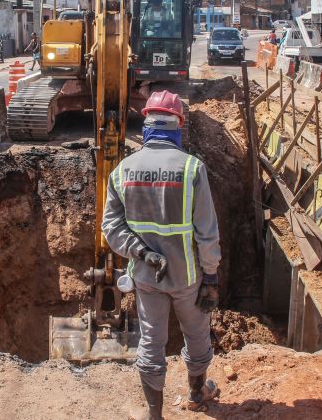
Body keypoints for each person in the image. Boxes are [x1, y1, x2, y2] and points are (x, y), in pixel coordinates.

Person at [102, 91, 221, 419]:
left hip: (146, 276)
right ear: (177, 126)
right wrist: (210, 277)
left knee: (151, 341)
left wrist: (141, 252)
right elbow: (207, 233)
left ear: (147, 125)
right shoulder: (193, 169)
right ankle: (198, 393)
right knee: (197, 336)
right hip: (187, 278)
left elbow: (110, 229)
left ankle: (154, 414)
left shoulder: (122, 171)